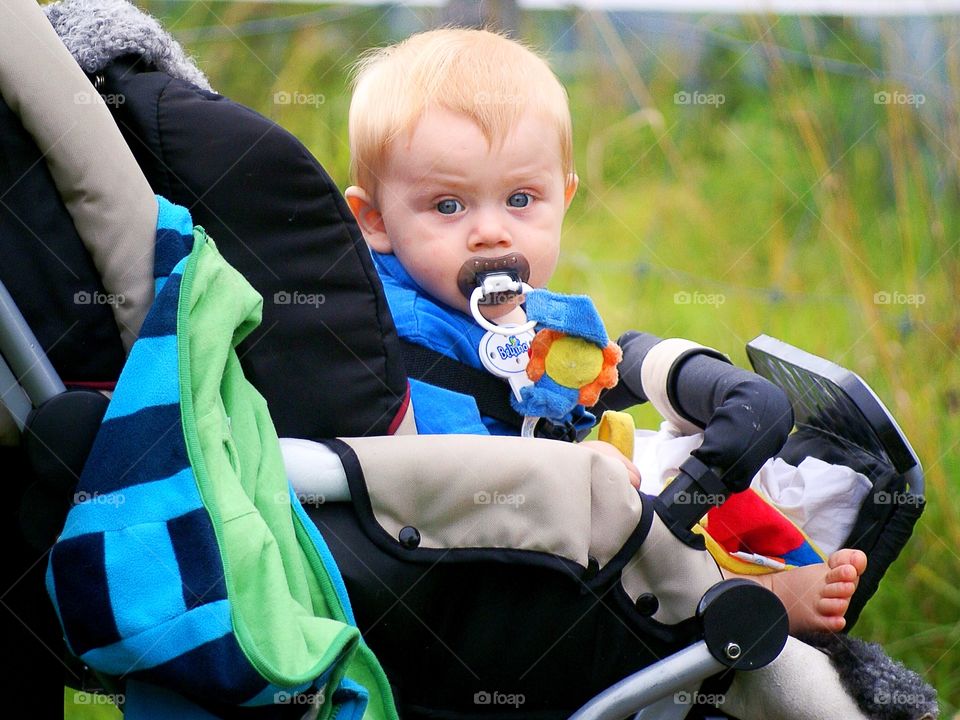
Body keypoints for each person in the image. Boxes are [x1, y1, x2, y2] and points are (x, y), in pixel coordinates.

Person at [343, 26, 869, 636]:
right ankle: (748, 597)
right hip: (490, 560)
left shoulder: (510, 308)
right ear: (376, 221)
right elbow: (452, 476)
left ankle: (775, 552)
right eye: (449, 206)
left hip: (559, 476)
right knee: (638, 515)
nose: (492, 233)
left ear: (563, 198)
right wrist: (569, 472)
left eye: (520, 198)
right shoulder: (404, 333)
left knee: (692, 475)